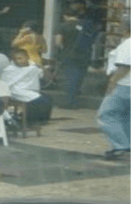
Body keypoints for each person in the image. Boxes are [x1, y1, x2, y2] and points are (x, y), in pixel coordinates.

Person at [96, 18, 130, 161]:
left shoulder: (128, 44)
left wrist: (112, 82)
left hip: (124, 84)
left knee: (106, 115)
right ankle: (126, 143)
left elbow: (124, 66)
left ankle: (120, 145)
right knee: (126, 116)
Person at [0, 48, 52, 125]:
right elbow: (5, 82)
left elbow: (46, 77)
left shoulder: (33, 67)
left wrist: (42, 68)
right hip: (16, 90)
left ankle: (42, 120)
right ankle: (29, 120)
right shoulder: (10, 69)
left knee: (49, 98)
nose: (18, 61)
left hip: (30, 90)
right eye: (15, 59)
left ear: (27, 57)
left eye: (20, 58)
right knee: (41, 100)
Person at [55, 8, 93, 108]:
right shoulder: (85, 25)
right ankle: (74, 99)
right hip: (84, 56)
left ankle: (69, 102)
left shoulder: (63, 26)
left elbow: (58, 42)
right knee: (78, 78)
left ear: (65, 16)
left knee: (70, 78)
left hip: (69, 55)